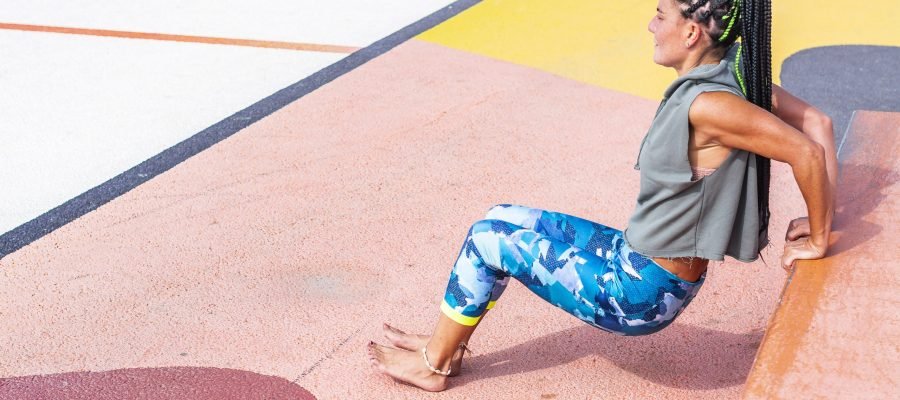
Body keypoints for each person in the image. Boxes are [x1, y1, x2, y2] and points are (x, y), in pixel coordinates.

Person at [367, 0, 837, 392]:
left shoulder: (710, 105)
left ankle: (435, 365)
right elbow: (818, 121)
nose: (650, 25)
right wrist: (827, 218)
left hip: (641, 293)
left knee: (489, 240)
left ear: (691, 32)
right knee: (501, 215)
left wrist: (819, 235)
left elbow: (807, 151)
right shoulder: (730, 77)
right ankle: (446, 342)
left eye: (660, 14)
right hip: (632, 256)